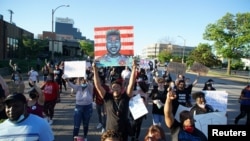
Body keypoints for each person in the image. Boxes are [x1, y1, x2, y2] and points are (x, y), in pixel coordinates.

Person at [93, 59, 137, 141]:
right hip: (110, 133)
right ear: (111, 89)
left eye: (118, 87)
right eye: (114, 87)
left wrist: (134, 68)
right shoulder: (107, 97)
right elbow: (98, 85)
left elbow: (131, 84)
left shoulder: (125, 97)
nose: (116, 88)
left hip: (123, 132)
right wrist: (95, 70)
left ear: (121, 89)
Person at [64, 77, 93, 141]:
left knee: (86, 124)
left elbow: (90, 85)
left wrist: (87, 79)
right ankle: (75, 138)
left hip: (87, 107)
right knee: (76, 124)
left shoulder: (90, 87)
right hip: (78, 107)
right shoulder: (78, 87)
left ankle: (85, 136)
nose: (83, 81)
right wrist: (67, 80)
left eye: (84, 79)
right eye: (81, 79)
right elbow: (70, 84)